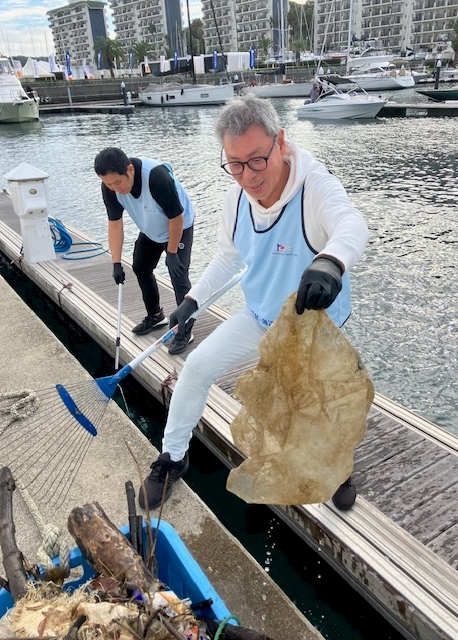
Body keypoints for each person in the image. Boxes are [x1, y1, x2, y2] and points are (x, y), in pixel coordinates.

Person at [138, 95, 369, 512]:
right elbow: (228, 257)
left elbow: (351, 223)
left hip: (315, 325)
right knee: (195, 368)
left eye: (257, 160)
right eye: (236, 164)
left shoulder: (315, 186)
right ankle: (173, 458)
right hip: (260, 314)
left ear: (280, 142)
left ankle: (339, 468)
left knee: (320, 403)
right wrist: (192, 302)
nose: (248, 175)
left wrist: (331, 263)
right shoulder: (236, 199)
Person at [94, 147, 196, 355]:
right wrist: (115, 262)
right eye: (108, 183)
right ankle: (156, 316)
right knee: (140, 267)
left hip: (179, 226)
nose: (114, 188)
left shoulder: (157, 177)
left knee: (178, 275)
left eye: (117, 182)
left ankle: (184, 331)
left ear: (130, 170)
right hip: (151, 228)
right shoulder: (110, 188)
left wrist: (173, 253)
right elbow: (115, 224)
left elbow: (177, 217)